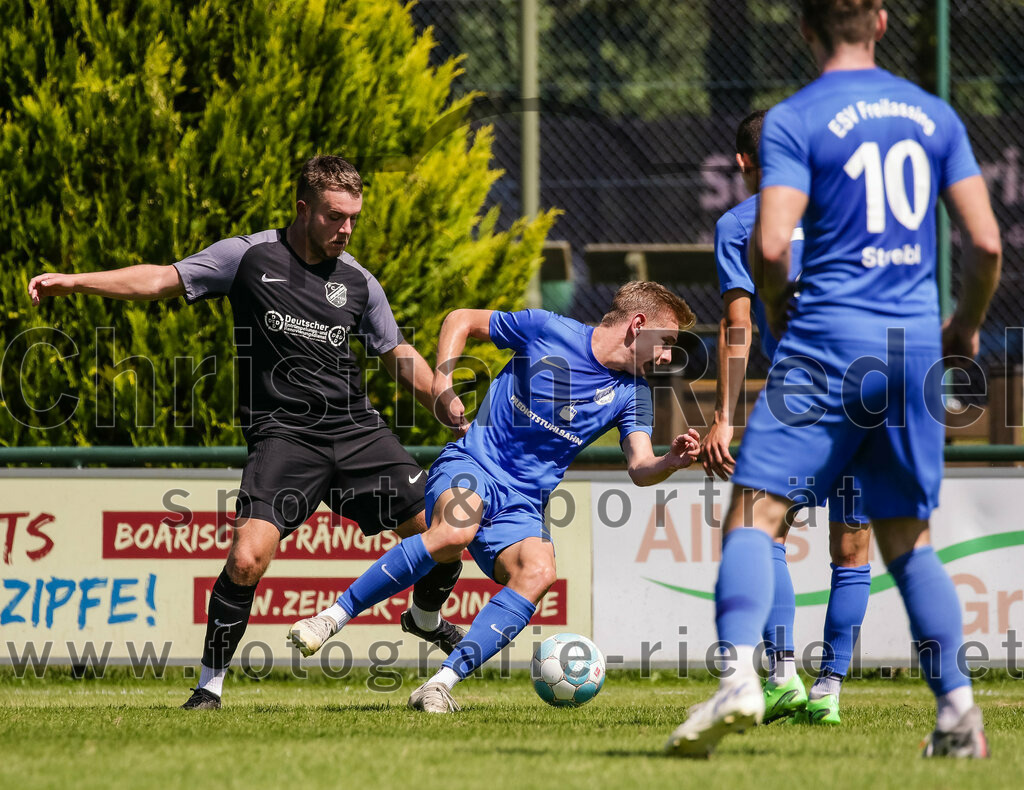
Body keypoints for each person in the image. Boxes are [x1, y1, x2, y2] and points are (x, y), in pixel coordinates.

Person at [667, 0, 1000, 758]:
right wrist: (964, 327)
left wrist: (788, 313)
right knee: (907, 539)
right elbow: (985, 243)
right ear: (882, 22)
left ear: (806, 29)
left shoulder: (793, 118)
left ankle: (741, 677)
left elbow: (774, 243)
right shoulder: (934, 114)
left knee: (753, 514)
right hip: (913, 346)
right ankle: (956, 715)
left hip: (825, 342)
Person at [28, 155, 471, 710]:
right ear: (303, 209)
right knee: (246, 558)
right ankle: (209, 687)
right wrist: (76, 282)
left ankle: (425, 619)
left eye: (354, 217)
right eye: (336, 216)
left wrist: (443, 398)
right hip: (285, 436)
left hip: (358, 433)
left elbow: (395, 353)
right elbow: (162, 280)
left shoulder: (359, 282)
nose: (347, 228)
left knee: (448, 531)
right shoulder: (248, 256)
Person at [287, 282, 702, 712]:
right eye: (667, 342)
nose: (668, 356)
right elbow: (461, 319)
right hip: (472, 463)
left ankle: (439, 684)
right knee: (453, 532)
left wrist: (668, 461)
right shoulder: (548, 329)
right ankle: (330, 617)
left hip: (522, 502)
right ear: (638, 325)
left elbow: (639, 467)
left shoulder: (632, 393)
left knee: (539, 572)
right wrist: (443, 384)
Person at [704, 109, 872, 725]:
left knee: (761, 524)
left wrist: (724, 415)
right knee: (852, 549)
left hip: (803, 384)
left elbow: (738, 325)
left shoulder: (740, 223)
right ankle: (829, 690)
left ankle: (780, 676)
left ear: (743, 162)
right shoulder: (847, 208)